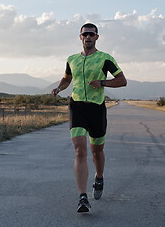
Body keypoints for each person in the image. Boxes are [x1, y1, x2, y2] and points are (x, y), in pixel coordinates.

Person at [51, 23, 127, 213]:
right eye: (85, 34)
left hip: (97, 108)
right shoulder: (72, 59)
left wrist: (102, 82)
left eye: (91, 34)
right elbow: (67, 78)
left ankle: (99, 177)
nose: (88, 37)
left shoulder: (105, 59)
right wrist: (59, 88)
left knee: (96, 151)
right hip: (77, 106)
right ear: (80, 37)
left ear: (97, 37)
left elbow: (122, 81)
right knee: (79, 151)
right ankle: (82, 197)